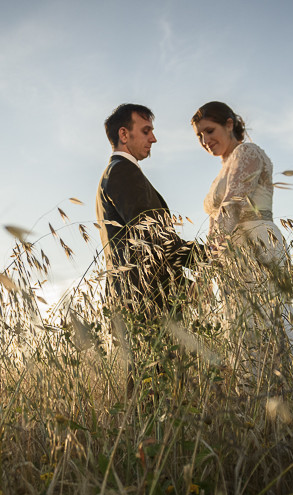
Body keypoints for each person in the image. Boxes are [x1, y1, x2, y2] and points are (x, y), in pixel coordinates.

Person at [189, 101, 293, 384]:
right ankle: (261, 396)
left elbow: (232, 206)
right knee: (243, 329)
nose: (205, 140)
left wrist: (204, 270)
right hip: (230, 253)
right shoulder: (222, 169)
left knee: (272, 320)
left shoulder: (247, 153)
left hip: (256, 243)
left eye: (209, 131)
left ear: (229, 124)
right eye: (200, 136)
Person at [96, 103, 199, 396]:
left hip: (136, 296)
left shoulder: (119, 173)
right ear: (124, 134)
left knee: (149, 386)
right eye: (147, 130)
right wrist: (209, 256)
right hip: (145, 300)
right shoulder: (122, 173)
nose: (153, 138)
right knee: (152, 391)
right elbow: (154, 240)